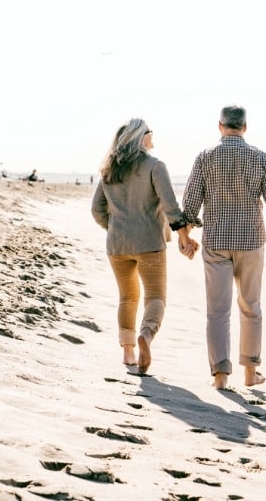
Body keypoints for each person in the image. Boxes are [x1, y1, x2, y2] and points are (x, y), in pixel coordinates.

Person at [182, 105, 266, 389]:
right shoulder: (262, 158)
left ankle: (220, 376)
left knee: (217, 311)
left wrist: (185, 236)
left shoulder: (205, 157)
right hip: (251, 242)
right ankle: (250, 373)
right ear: (245, 127)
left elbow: (190, 204)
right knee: (250, 307)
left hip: (216, 241)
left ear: (220, 126)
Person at [92, 118, 198, 374]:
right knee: (156, 297)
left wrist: (115, 227)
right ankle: (146, 335)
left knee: (127, 297)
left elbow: (97, 210)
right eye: (150, 132)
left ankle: (128, 352)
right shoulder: (155, 166)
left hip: (117, 244)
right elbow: (172, 208)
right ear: (141, 138)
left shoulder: (109, 168)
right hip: (149, 242)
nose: (153, 136)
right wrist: (184, 236)